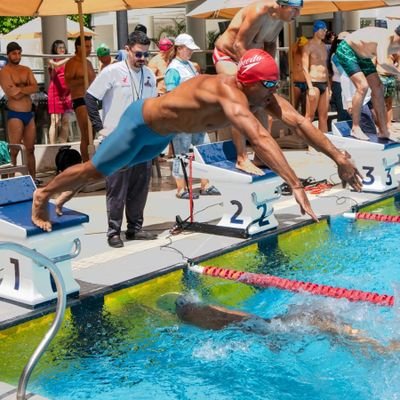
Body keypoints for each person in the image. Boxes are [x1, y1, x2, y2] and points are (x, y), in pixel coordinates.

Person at [32, 49, 363, 232]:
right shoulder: (228, 93)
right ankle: (43, 194)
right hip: (140, 123)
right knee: (96, 169)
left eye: (274, 86)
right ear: (249, 83)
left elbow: (301, 122)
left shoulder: (258, 93)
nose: (273, 94)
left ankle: (67, 190)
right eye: (268, 87)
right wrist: (296, 184)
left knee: (108, 169)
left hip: (161, 137)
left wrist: (339, 158)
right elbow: (259, 137)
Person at [213, 0, 303, 175]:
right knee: (240, 102)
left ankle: (260, 157)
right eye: (294, 10)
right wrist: (255, 72)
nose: (297, 15)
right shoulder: (259, 11)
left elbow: (270, 45)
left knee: (261, 105)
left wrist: (269, 74)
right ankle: (242, 158)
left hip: (249, 60)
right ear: (282, 6)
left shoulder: (281, 19)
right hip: (228, 56)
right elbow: (239, 45)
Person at [85, 31, 158, 248]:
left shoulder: (149, 75)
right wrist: (100, 129)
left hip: (143, 139)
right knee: (117, 187)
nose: (142, 58)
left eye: (145, 54)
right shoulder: (112, 72)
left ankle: (135, 228)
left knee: (140, 185)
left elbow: (152, 106)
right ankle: (113, 231)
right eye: (138, 54)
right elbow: (90, 98)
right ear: (127, 49)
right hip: (117, 138)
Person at [166, 292, 400, 353]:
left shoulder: (230, 321)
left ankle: (382, 348)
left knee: (328, 325)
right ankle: (382, 348)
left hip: (281, 325)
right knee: (330, 326)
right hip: (283, 325)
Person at [165, 33, 220, 199]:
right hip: (183, 117)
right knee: (181, 153)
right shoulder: (173, 69)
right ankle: (181, 189)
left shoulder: (189, 65)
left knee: (204, 149)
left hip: (198, 116)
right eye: (188, 50)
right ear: (179, 49)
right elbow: (171, 94)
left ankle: (206, 184)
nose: (191, 52)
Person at [335, 25, 400, 141]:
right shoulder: (387, 37)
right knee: (363, 86)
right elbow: (383, 62)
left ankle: (384, 130)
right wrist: (398, 73)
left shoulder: (396, 43)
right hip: (347, 49)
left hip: (363, 56)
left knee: (378, 87)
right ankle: (355, 128)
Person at [0, 42, 38, 179]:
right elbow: (12, 93)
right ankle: (9, 181)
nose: (17, 56)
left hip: (29, 113)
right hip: (14, 114)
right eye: (14, 53)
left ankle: (33, 180)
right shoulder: (4, 72)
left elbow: (35, 87)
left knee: (30, 149)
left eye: (19, 53)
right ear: (8, 54)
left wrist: (19, 89)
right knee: (14, 150)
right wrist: (25, 89)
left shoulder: (26, 69)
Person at [65, 36, 96, 162]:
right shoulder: (72, 63)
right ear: (78, 47)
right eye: (87, 46)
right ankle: (86, 162)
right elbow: (68, 83)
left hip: (91, 99)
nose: (89, 49)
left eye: (90, 46)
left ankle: (90, 161)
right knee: (86, 133)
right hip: (80, 99)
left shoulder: (88, 63)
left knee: (92, 133)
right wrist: (83, 80)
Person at [302, 20, 331, 133]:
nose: (325, 32)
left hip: (324, 83)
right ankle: (309, 143)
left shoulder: (324, 46)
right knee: (309, 116)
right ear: (316, 30)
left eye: (325, 30)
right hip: (314, 83)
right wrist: (310, 87)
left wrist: (329, 87)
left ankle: (324, 144)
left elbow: (325, 67)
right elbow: (305, 68)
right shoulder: (308, 46)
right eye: (322, 30)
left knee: (324, 117)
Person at [47, 39, 72, 144]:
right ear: (55, 49)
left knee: (66, 121)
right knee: (55, 121)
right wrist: (69, 57)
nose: (62, 49)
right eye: (60, 47)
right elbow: (57, 65)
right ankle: (52, 147)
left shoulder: (69, 60)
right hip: (55, 92)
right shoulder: (51, 60)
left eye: (63, 47)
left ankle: (62, 144)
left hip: (67, 93)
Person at [328, 32, 352, 122]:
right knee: (343, 112)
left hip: (349, 85)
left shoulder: (349, 54)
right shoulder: (336, 56)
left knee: (351, 112)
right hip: (339, 86)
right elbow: (344, 72)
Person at [376, 54, 400, 133]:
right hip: (380, 76)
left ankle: (389, 124)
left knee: (389, 102)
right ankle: (379, 125)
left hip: (391, 77)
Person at [292, 35, 308, 114]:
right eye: (302, 46)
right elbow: (292, 48)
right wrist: (298, 41)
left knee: (305, 105)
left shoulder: (308, 54)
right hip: (297, 82)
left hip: (306, 82)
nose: (304, 48)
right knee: (295, 104)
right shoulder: (295, 51)